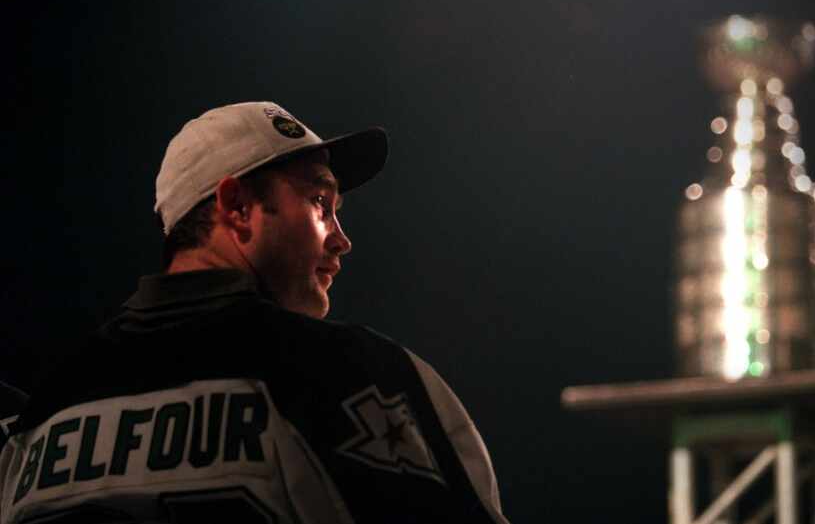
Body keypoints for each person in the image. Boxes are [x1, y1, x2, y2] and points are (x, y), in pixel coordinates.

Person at [0, 101, 510, 523]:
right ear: (237, 205)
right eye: (319, 201)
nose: (342, 240)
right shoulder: (352, 376)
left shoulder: (44, 408)